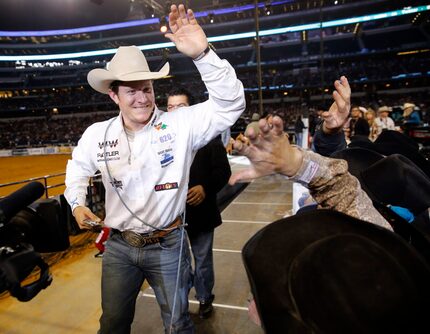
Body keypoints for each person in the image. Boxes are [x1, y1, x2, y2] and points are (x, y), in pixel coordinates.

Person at [64, 4, 245, 334]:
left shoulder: (180, 125)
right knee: (113, 324)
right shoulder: (97, 134)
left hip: (169, 245)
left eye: (146, 88)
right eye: (131, 91)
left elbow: (231, 104)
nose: (142, 98)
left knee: (177, 324)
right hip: (119, 247)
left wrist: (203, 54)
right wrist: (76, 203)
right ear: (113, 96)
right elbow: (77, 168)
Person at [167, 87, 231, 319]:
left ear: (191, 109)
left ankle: (205, 298)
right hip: (170, 218)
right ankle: (181, 300)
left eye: (180, 107)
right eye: (170, 107)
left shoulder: (208, 137)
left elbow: (223, 171)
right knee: (176, 264)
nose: (174, 111)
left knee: (202, 260)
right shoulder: (160, 140)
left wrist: (205, 188)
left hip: (201, 213)